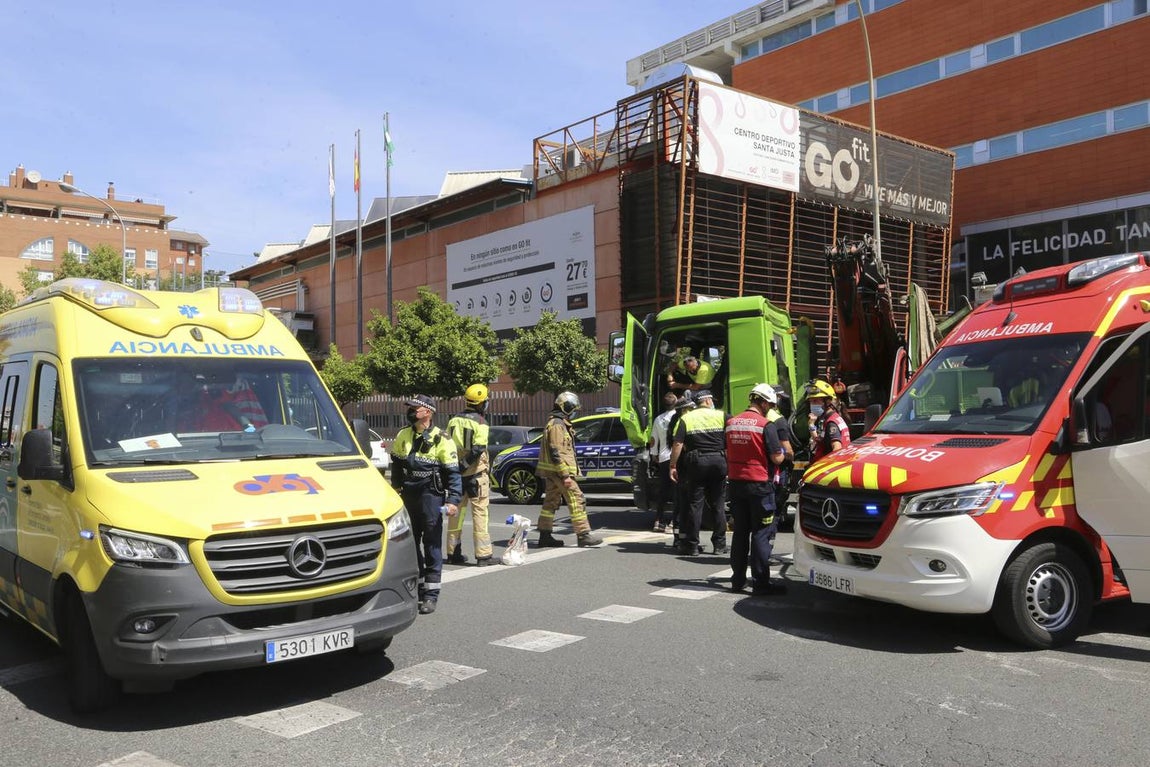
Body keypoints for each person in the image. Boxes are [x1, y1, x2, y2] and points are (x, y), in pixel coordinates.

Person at [390, 394, 462, 615]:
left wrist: (453, 500)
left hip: (431, 495)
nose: (411, 412)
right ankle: (419, 588)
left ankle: (431, 595)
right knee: (411, 544)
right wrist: (395, 490)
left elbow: (453, 474)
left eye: (415, 409)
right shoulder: (403, 434)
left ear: (427, 412)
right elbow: (397, 467)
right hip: (409, 495)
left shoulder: (443, 439)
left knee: (431, 545)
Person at [726, 384, 787, 595]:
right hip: (760, 485)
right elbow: (776, 457)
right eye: (769, 404)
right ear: (762, 402)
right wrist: (784, 454)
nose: (770, 408)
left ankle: (737, 581)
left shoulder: (731, 423)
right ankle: (761, 583)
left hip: (736, 484)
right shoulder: (765, 425)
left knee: (740, 533)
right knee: (761, 534)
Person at [535, 391, 604, 548]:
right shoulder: (558, 425)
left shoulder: (558, 423)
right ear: (564, 407)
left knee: (550, 501)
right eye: (572, 408)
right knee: (577, 498)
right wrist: (565, 474)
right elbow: (556, 451)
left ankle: (545, 535)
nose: (573, 411)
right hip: (559, 471)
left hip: (554, 471)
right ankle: (583, 535)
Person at [669, 389, 728, 556]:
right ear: (708, 401)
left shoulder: (686, 419)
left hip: (696, 463)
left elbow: (677, 444)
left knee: (695, 505)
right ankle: (719, 544)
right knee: (718, 504)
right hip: (719, 461)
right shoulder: (722, 416)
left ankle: (693, 545)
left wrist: (673, 465)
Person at [446, 383, 494, 567]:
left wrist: (457, 468)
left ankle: (452, 553)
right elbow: (478, 448)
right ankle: (483, 556)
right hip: (475, 474)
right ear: (481, 403)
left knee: (455, 515)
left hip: (457, 476)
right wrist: (465, 465)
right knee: (480, 514)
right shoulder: (481, 422)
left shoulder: (453, 420)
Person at [648, 392, 678, 532]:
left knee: (663, 491)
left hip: (664, 458)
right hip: (677, 458)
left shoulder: (658, 419)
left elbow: (653, 440)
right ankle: (674, 521)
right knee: (677, 491)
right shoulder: (680, 417)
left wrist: (654, 456)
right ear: (676, 402)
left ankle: (658, 521)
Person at [766, 386, 795, 518]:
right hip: (777, 467)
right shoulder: (778, 419)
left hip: (760, 466)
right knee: (776, 505)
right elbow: (787, 450)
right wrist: (791, 458)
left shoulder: (756, 414)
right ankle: (770, 535)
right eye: (780, 398)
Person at [807, 379, 851, 461]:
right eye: (811, 401)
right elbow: (821, 441)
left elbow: (837, 448)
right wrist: (811, 425)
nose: (812, 404)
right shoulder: (832, 418)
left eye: (815, 401)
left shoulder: (831, 423)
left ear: (827, 401)